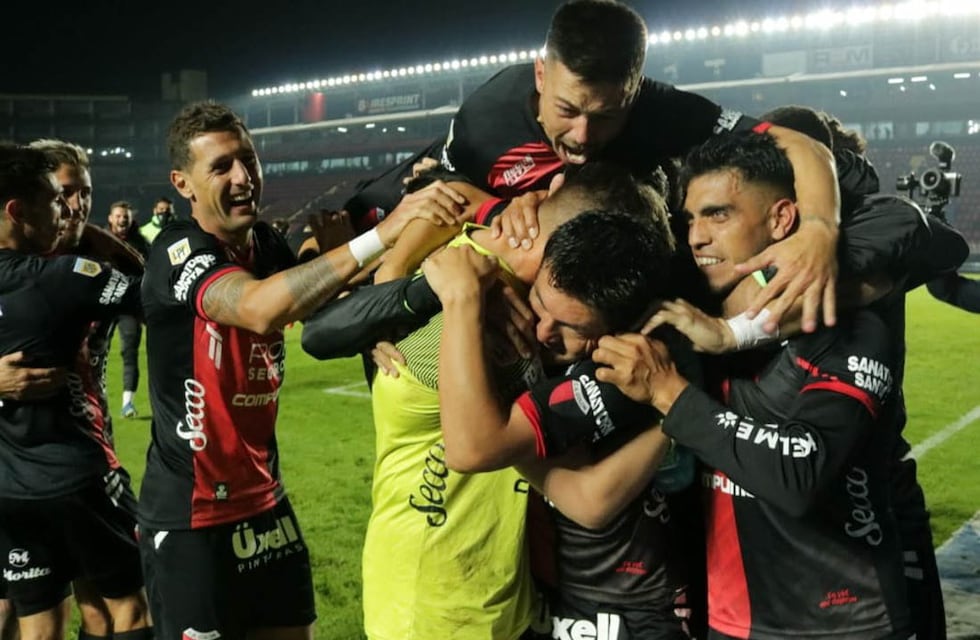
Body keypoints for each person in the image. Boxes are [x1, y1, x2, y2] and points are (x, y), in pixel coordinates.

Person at [137, 101, 462, 640]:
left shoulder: (264, 243)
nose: (244, 178)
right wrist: (381, 236)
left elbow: (319, 304)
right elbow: (259, 307)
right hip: (192, 515)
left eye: (249, 159)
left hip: (267, 501)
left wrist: (372, 319)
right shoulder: (178, 249)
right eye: (221, 167)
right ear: (183, 184)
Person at [303, 165, 667, 639]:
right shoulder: (463, 313)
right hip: (438, 601)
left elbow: (578, 490)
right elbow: (487, 453)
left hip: (490, 590)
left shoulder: (489, 287)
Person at [345, 0, 843, 332]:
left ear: (635, 89)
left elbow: (799, 145)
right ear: (542, 74)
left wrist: (820, 230)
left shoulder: (662, 109)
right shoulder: (487, 120)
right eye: (567, 110)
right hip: (528, 320)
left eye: (607, 115)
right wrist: (494, 212)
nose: (583, 137)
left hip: (636, 306)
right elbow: (438, 194)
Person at [592, 131, 913, 639]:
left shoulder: (847, 323)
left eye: (718, 215)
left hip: (841, 623)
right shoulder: (685, 313)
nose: (697, 236)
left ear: (782, 219)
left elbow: (799, 474)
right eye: (691, 218)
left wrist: (668, 393)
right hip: (729, 619)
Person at [0, 144, 149, 640]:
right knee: (115, 604)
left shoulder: (75, 258)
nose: (75, 207)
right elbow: (157, 294)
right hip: (67, 470)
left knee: (63, 611)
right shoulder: (65, 274)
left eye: (86, 193)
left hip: (30, 471)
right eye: (63, 195)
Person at [105, 200, 149, 418]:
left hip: (127, 307)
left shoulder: (140, 244)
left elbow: (148, 274)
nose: (122, 219)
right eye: (119, 216)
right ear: (110, 218)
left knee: (129, 352)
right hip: (101, 305)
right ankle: (93, 395)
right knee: (92, 351)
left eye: (126, 216)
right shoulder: (98, 242)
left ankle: (127, 403)